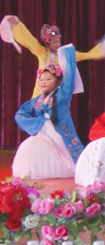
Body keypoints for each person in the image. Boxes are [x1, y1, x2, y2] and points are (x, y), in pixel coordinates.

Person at [12, 45, 84, 179]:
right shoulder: (37, 100)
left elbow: (69, 79)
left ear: (58, 82)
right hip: (45, 135)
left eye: (48, 79)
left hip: (61, 136)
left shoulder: (62, 95)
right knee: (30, 145)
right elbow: (20, 114)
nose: (43, 82)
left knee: (75, 164)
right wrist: (38, 123)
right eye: (41, 79)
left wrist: (68, 53)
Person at [0, 15, 105, 98]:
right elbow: (29, 40)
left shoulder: (64, 54)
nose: (58, 44)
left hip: (56, 94)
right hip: (41, 92)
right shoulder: (41, 52)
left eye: (59, 41)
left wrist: (100, 51)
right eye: (55, 41)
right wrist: (16, 25)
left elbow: (83, 55)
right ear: (48, 42)